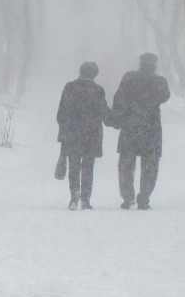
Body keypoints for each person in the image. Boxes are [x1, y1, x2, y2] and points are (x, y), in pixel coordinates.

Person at [110, 52, 171, 210]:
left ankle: (127, 197)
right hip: (151, 129)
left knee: (126, 165)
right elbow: (165, 97)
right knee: (150, 165)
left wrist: (117, 118)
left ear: (140, 63)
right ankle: (144, 198)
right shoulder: (160, 82)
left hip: (130, 127)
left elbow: (119, 99)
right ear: (155, 65)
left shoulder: (129, 78)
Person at [56, 61, 110, 210]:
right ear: (95, 74)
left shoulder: (70, 87)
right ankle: (86, 199)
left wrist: (64, 134)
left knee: (74, 166)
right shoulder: (97, 90)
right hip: (91, 135)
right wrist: (117, 119)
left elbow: (61, 114)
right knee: (88, 167)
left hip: (73, 135)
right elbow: (103, 112)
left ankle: (74, 194)